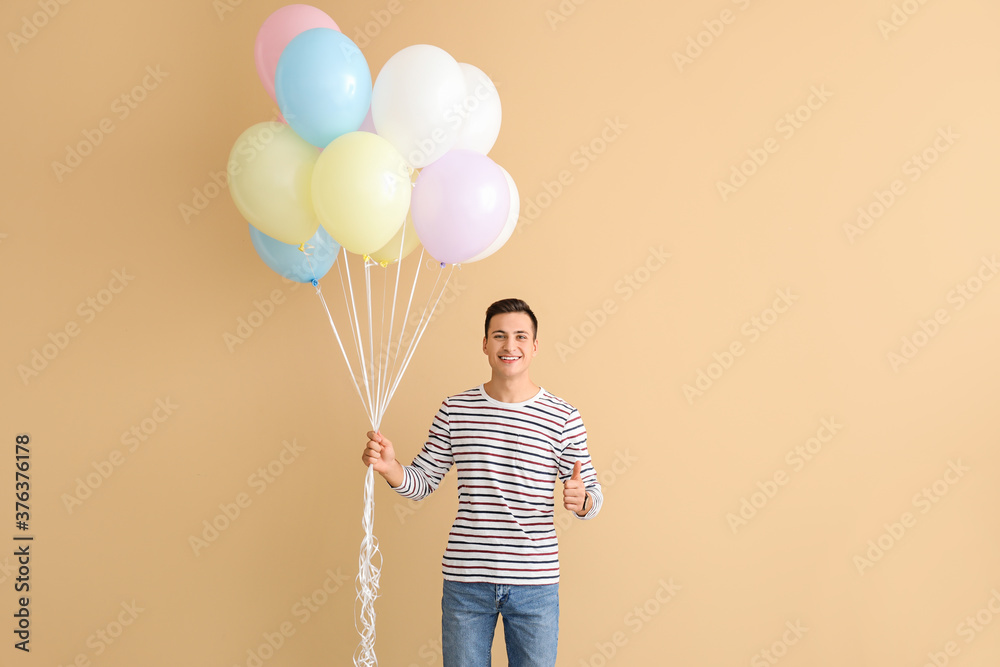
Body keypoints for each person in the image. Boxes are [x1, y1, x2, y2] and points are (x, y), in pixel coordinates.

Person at [361, 297, 603, 667]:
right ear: (485, 344)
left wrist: (582, 500)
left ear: (535, 347)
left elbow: (591, 496)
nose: (510, 345)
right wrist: (391, 467)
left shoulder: (563, 416)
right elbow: (422, 482)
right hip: (466, 582)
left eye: (521, 336)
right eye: (500, 336)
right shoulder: (455, 410)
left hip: (535, 583)